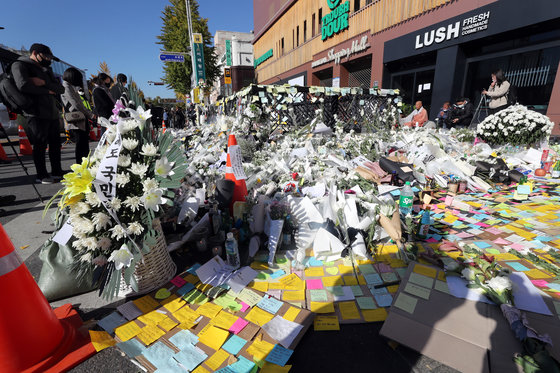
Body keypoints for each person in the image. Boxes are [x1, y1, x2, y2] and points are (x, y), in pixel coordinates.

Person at [11, 43, 65, 184]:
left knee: (55, 143)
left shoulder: (46, 69)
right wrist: (47, 90)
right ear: (35, 53)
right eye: (46, 56)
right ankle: (41, 175)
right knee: (40, 144)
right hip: (34, 112)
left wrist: (42, 83)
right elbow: (22, 85)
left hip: (51, 112)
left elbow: (60, 89)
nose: (48, 59)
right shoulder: (20, 65)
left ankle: (57, 171)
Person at [61, 67, 96, 164]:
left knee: (83, 143)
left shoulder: (70, 86)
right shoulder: (66, 87)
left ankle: (84, 163)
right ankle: (81, 165)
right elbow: (76, 103)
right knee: (81, 143)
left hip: (79, 118)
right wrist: (90, 114)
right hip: (76, 119)